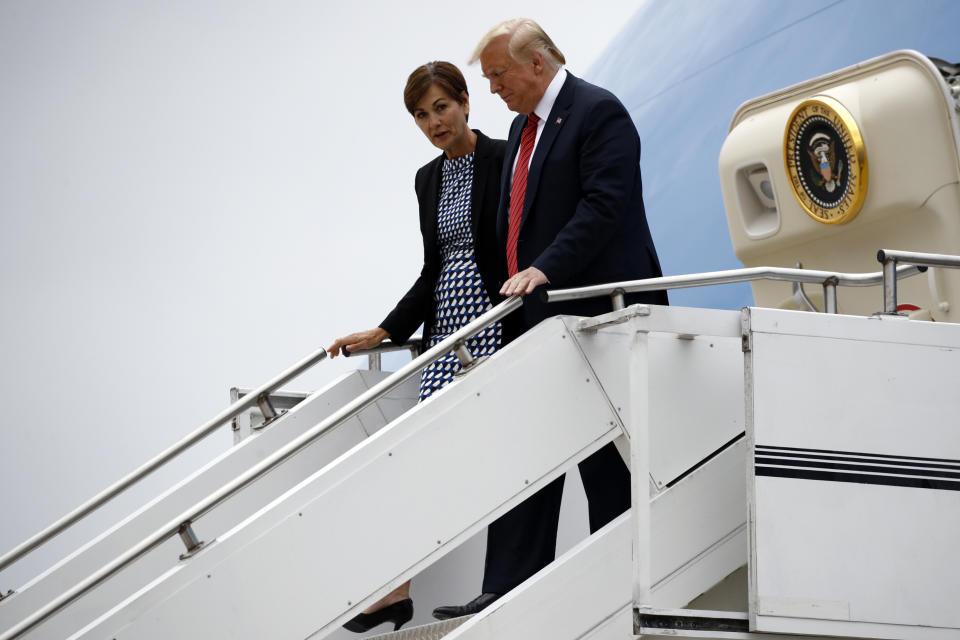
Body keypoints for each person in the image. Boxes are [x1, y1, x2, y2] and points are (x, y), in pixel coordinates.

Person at [431, 18, 668, 620]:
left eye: (498, 75)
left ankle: (616, 575)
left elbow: (605, 205)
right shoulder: (520, 128)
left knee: (604, 459)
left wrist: (545, 268)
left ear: (536, 63)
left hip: (594, 311)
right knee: (528, 449)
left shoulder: (597, 112)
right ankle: (507, 582)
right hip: (533, 316)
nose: (492, 90)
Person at [326, 61, 509, 633]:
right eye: (420, 115)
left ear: (465, 104)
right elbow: (433, 268)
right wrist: (386, 329)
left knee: (469, 455)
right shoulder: (426, 180)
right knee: (419, 452)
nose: (433, 122)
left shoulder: (506, 159)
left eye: (441, 108)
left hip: (494, 318)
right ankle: (398, 590)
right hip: (444, 329)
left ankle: (425, 590)